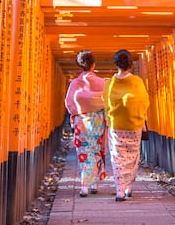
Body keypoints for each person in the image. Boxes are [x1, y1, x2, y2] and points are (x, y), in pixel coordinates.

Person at [102, 49, 150, 202]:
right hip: (134, 124)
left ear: (116, 64)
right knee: (132, 156)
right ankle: (128, 187)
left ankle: (120, 191)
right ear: (130, 64)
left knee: (118, 157)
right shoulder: (137, 82)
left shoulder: (110, 83)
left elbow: (106, 103)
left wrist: (109, 119)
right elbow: (144, 102)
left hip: (116, 125)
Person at [64, 50, 107, 197]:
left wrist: (76, 113)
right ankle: (93, 183)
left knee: (83, 152)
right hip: (98, 121)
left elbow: (69, 103)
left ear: (80, 65)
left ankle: (84, 185)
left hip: (81, 121)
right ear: (93, 65)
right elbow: (107, 100)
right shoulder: (102, 82)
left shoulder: (75, 84)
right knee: (96, 150)